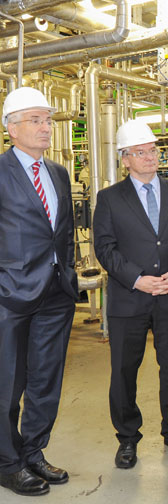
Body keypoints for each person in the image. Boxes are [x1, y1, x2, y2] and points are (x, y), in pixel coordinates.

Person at [93, 119, 168, 469]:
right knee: (124, 371)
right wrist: (136, 279)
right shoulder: (109, 198)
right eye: (141, 152)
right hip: (129, 300)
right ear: (125, 158)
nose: (150, 157)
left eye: (153, 150)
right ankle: (127, 438)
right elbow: (105, 248)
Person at [0, 87, 78, 497]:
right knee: (7, 385)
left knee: (45, 381)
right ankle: (7, 463)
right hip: (10, 297)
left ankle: (33, 452)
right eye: (36, 120)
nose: (46, 127)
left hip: (56, 293)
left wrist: (69, 273)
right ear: (11, 128)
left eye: (48, 119)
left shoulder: (59, 173)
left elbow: (61, 234)